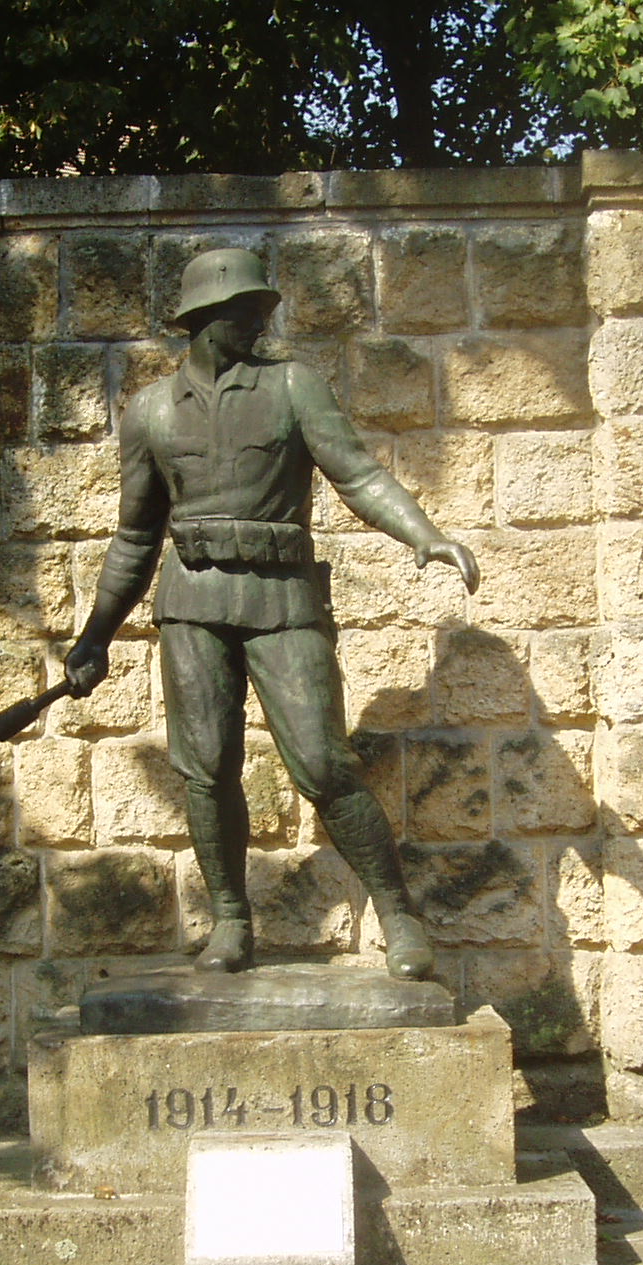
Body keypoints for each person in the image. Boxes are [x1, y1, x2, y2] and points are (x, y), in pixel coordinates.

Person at [62, 246, 480, 980]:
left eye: (261, 310)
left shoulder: (293, 387)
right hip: (193, 603)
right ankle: (230, 919)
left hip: (282, 597)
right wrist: (95, 636)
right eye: (246, 311)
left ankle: (398, 913)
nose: (260, 322)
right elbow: (135, 536)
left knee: (323, 764)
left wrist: (424, 534)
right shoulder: (151, 412)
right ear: (204, 319)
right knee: (205, 768)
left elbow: (359, 474)